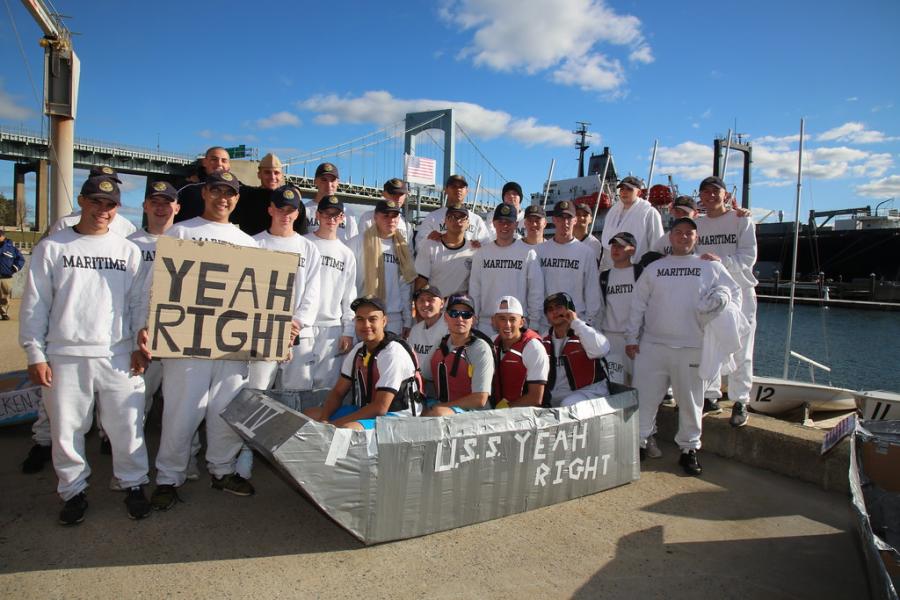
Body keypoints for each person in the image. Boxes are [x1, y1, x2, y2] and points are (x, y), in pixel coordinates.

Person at [19, 174, 151, 524]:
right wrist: (35, 353)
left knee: (127, 425)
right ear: (82, 201)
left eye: (109, 205)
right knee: (66, 430)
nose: (102, 210)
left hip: (118, 354)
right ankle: (73, 491)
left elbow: (138, 303)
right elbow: (35, 305)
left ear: (117, 208)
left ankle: (133, 483)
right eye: (95, 202)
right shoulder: (53, 247)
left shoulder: (128, 250)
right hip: (65, 354)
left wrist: (140, 341)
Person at [146, 170, 259, 510]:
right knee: (181, 411)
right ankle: (168, 477)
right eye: (217, 191)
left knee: (226, 410)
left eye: (230, 193)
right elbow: (159, 288)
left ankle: (222, 470)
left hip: (232, 344)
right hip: (187, 341)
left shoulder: (249, 243)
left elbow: (261, 297)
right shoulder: (181, 232)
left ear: (237, 198)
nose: (223, 198)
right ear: (205, 193)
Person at [625, 217, 740, 476]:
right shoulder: (654, 268)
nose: (684, 237)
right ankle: (640, 443)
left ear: (696, 238)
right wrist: (632, 338)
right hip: (652, 345)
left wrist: (723, 297)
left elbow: (733, 291)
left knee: (690, 402)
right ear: (670, 237)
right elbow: (637, 305)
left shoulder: (710, 266)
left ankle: (689, 450)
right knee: (645, 399)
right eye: (678, 232)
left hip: (691, 346)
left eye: (689, 233)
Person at [695, 176, 758, 426]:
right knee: (708, 343)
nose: (710, 196)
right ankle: (711, 396)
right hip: (709, 294)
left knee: (742, 346)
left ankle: (741, 400)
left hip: (739, 291)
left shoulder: (741, 220)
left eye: (715, 191)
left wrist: (721, 262)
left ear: (725, 194)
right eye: (705, 192)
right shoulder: (696, 224)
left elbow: (748, 257)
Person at [305, 296, 423, 429]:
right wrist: (324, 420)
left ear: (384, 321)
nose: (366, 325)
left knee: (348, 429)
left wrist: (332, 426)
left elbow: (381, 407)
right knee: (309, 415)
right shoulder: (359, 350)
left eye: (372, 319)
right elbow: (338, 392)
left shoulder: (393, 353)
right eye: (360, 319)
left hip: (398, 417)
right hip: (370, 411)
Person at [248, 185, 322, 392]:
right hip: (262, 333)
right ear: (271, 209)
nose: (285, 215)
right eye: (280, 209)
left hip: (299, 334)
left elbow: (313, 293)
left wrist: (294, 325)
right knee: (256, 392)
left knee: (297, 397)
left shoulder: (309, 248)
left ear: (298, 213)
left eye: (290, 210)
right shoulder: (254, 244)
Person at [304, 196, 357, 395]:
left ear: (342, 218)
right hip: (304, 326)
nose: (331, 219)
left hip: (332, 329)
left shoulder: (346, 253)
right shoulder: (304, 243)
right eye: (326, 213)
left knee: (325, 389)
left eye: (335, 214)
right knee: (295, 383)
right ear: (317, 215)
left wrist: (348, 331)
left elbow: (349, 295)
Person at [469, 204, 544, 336]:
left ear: (515, 224)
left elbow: (535, 291)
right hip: (487, 324)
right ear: (494, 223)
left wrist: (534, 324)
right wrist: (473, 318)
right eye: (501, 222)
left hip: (517, 324)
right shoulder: (482, 254)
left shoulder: (528, 253)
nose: (505, 226)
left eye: (509, 222)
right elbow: (475, 290)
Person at [347, 199, 416, 336]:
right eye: (386, 215)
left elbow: (405, 285)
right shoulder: (357, 243)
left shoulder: (402, 247)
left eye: (395, 216)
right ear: (375, 217)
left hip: (394, 318)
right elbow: (349, 284)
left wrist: (408, 319)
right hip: (365, 316)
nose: (391, 220)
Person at [535, 200, 602, 329]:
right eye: (560, 218)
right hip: (546, 323)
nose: (565, 223)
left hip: (575, 322)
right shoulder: (539, 251)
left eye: (569, 218)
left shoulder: (586, 253)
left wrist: (589, 323)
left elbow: (592, 291)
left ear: (575, 220)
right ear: (554, 220)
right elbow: (535, 290)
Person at [425, 293, 495, 415]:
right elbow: (425, 376)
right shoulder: (441, 344)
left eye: (466, 315)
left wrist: (440, 407)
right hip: (446, 409)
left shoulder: (480, 348)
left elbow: (480, 399)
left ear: (473, 320)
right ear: (446, 317)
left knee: (438, 413)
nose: (460, 319)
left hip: (475, 415)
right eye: (454, 313)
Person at [541, 292, 611, 407]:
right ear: (547, 317)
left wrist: (576, 322)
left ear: (570, 310)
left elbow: (602, 349)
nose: (555, 312)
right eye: (550, 309)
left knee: (568, 404)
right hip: (558, 395)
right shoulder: (543, 340)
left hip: (590, 393)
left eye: (559, 307)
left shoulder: (584, 331)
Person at [599, 232, 642, 386]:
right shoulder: (604, 276)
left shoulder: (641, 273)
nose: (616, 249)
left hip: (637, 338)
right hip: (611, 338)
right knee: (616, 384)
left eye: (621, 246)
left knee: (640, 384)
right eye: (613, 246)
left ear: (632, 250)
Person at [47, 166, 137, 237]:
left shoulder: (127, 227)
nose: (105, 185)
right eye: (98, 181)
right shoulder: (65, 223)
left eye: (111, 182)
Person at [492, 296, 549, 408]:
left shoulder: (533, 348)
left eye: (512, 319)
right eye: (502, 318)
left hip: (530, 416)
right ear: (493, 321)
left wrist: (503, 410)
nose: (507, 324)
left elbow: (535, 398)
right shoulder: (492, 342)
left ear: (522, 322)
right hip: (499, 412)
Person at [232, 153, 308, 236]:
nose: (272, 177)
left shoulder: (293, 202)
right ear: (259, 174)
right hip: (251, 247)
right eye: (267, 172)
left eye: (276, 173)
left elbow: (302, 235)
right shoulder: (246, 197)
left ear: (282, 176)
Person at [599, 176, 664, 270]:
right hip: (612, 272)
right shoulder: (612, 212)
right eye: (622, 189)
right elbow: (606, 245)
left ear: (639, 192)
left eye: (629, 189)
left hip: (638, 271)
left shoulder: (649, 213)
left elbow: (657, 246)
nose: (624, 192)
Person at [414, 204, 477, 295]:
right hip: (435, 305)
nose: (457, 220)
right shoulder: (429, 246)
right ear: (445, 221)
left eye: (462, 217)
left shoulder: (474, 250)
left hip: (458, 306)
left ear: (468, 223)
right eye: (452, 217)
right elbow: (420, 281)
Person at [415, 175, 492, 247]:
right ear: (446, 190)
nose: (458, 189)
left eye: (461, 187)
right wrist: (428, 239)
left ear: (467, 191)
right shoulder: (432, 217)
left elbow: (486, 244)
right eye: (454, 186)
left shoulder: (476, 219)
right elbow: (419, 244)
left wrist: (480, 246)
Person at [406, 285, 448, 399]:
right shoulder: (415, 329)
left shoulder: (450, 327)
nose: (425, 304)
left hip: (444, 386)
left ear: (442, 303)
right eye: (421, 300)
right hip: (419, 385)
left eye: (430, 300)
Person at [175, 146, 234, 223]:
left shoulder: (237, 189)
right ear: (204, 162)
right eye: (214, 159)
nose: (219, 163)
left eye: (224, 161)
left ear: (229, 166)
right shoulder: (186, 188)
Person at [304, 163, 358, 242]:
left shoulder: (348, 213)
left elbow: (354, 241)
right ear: (315, 181)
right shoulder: (304, 210)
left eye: (332, 180)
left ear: (338, 183)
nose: (329, 184)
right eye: (324, 180)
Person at [358, 178, 413, 242]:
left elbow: (409, 250)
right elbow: (362, 246)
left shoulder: (406, 225)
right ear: (384, 194)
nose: (398, 198)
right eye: (393, 193)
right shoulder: (367, 219)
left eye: (401, 194)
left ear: (405, 196)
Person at [0, 227, 25, 320]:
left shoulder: (11, 248)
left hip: (6, 277)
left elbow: (21, 259)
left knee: (4, 296)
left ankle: (3, 313)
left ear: (3, 236)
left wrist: (14, 268)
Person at [573, 200, 604, 268]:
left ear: (591, 219)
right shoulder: (565, 241)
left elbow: (592, 269)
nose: (581, 217)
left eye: (585, 215)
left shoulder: (594, 243)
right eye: (578, 214)